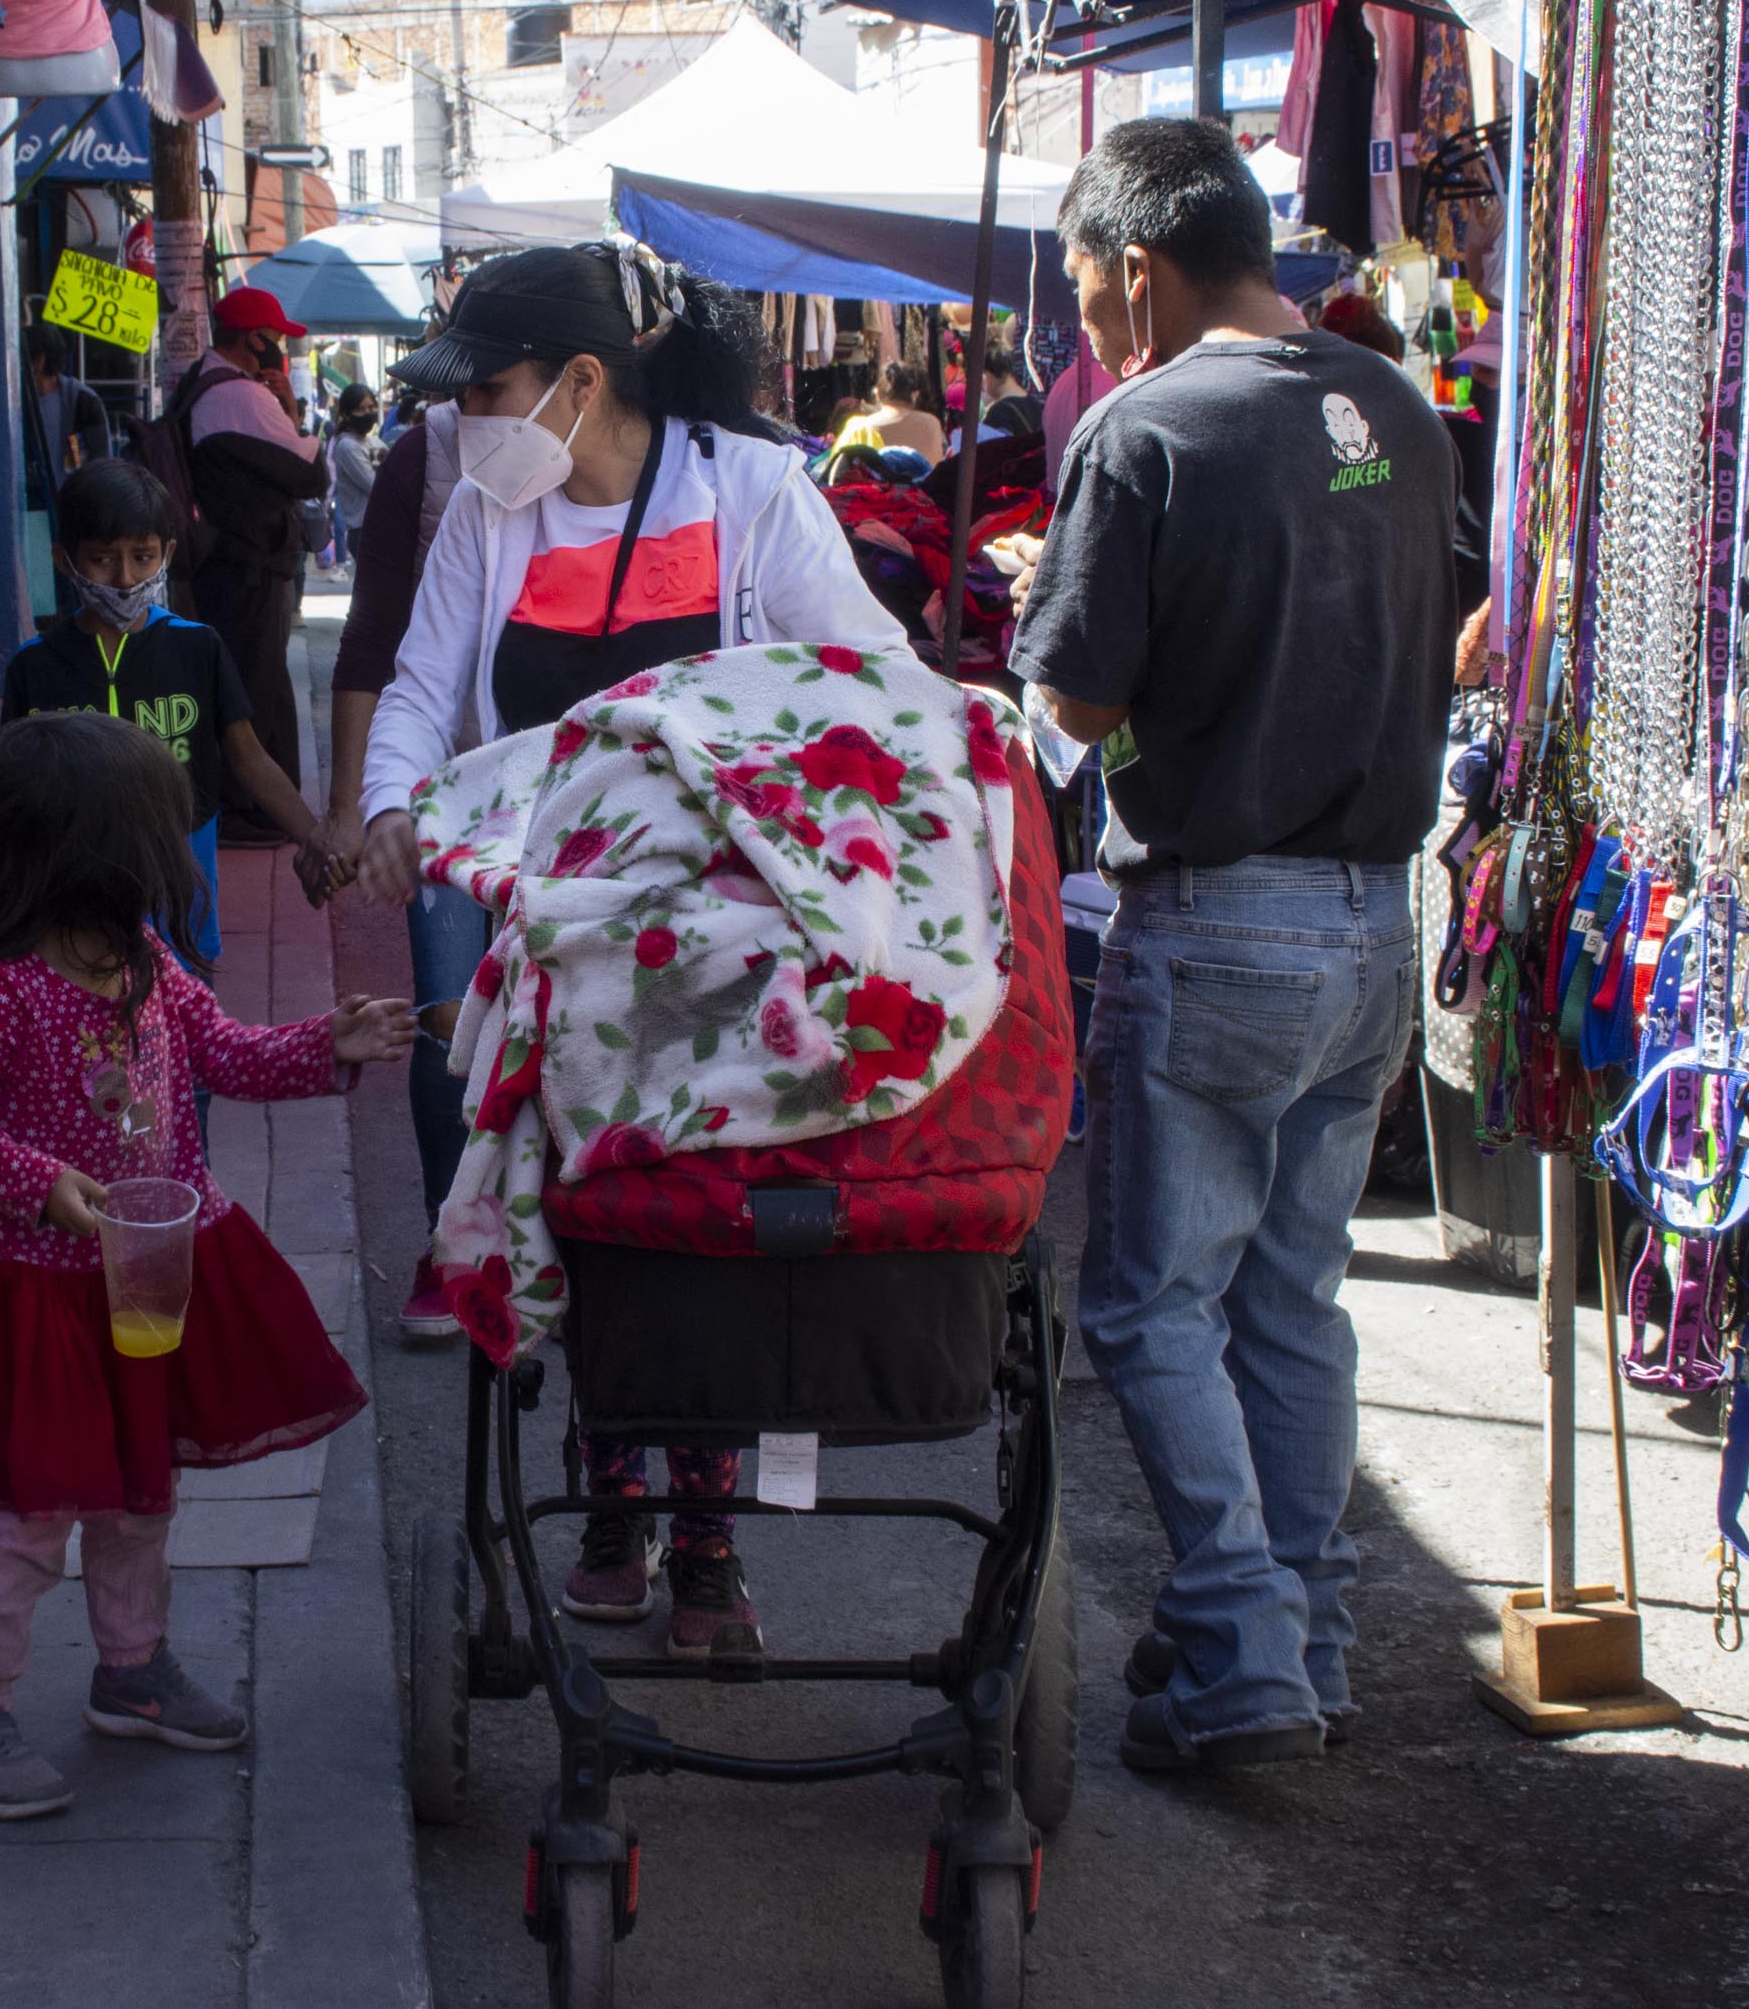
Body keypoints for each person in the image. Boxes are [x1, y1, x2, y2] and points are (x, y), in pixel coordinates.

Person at [356, 243, 906, 1658]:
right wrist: (389, 812)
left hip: (731, 940)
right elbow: (422, 691)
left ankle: (709, 1543)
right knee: (590, 1218)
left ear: (580, 381)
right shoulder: (487, 514)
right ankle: (611, 1503)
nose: (465, 416)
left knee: (708, 1231)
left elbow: (862, 678)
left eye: (487, 388)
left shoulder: (753, 492)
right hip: (555, 941)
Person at [1007, 116, 1456, 1774]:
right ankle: (1307, 1642)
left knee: (1147, 1306)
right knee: (1295, 1301)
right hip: (1374, 925)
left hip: (1219, 923)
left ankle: (1251, 1646)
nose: (1083, 329)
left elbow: (1071, 702)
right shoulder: (1398, 411)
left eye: (1081, 289)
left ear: (1137, 266)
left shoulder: (1144, 427)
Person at [0, 712, 413, 1818]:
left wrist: (328, 1043)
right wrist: (39, 1182)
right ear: (88, 845)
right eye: (159, 830)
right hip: (33, 1292)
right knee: (26, 1517)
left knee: (139, 1495)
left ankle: (133, 1669)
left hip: (146, 1278)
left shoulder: (143, 958)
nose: (175, 851)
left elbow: (224, 1051)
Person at [2, 459, 346, 948]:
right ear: (65, 560)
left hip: (180, 907)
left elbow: (249, 759)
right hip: (71, 912)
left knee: (188, 1020)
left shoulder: (197, 647)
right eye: (102, 559)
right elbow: (13, 802)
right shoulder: (33, 668)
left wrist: (313, 840)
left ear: (167, 553)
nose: (124, 578)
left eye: (142, 557)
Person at [320, 396, 474, 1340]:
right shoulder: (427, 456)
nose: (480, 405)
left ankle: (583, 1235)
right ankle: (451, 1237)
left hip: (594, 799)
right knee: (450, 1017)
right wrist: (356, 806)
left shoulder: (660, 457)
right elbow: (378, 646)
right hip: (452, 795)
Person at [176, 284, 332, 825]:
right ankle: (250, 810)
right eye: (275, 340)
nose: (280, 351)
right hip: (247, 571)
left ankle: (266, 808)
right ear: (254, 339)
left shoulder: (207, 384)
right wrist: (291, 413)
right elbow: (311, 471)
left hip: (233, 567)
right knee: (253, 687)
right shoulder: (241, 396)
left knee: (262, 684)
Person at [23, 322, 112, 490]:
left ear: (39, 361)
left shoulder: (83, 401)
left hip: (76, 502)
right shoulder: (22, 404)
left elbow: (102, 463)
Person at [830, 361, 948, 462]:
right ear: (915, 395)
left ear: (877, 395)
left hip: (878, 488)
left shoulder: (858, 427)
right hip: (926, 488)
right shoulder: (932, 423)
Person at [322, 383, 382, 573]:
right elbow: (375, 485)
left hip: (376, 527)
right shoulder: (347, 446)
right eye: (361, 409)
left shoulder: (371, 441)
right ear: (347, 414)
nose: (367, 413)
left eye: (371, 407)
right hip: (365, 529)